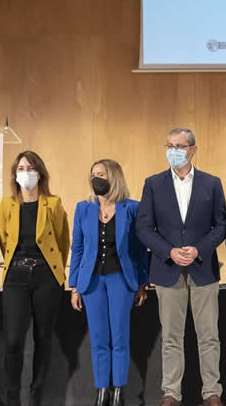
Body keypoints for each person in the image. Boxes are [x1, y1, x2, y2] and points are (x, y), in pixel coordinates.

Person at [136, 127, 226, 406]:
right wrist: (169, 251)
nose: (173, 151)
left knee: (209, 336)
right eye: (169, 146)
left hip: (203, 268)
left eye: (179, 146)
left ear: (193, 150)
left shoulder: (211, 183)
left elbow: (221, 225)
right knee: (171, 337)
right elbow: (144, 227)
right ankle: (171, 393)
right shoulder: (153, 184)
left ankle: (211, 392)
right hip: (168, 269)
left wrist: (199, 249)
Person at [69, 159, 149, 406]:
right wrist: (74, 286)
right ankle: (102, 389)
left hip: (120, 280)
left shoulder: (131, 208)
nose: (96, 179)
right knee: (99, 338)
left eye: (101, 174)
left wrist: (142, 283)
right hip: (91, 281)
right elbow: (77, 248)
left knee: (119, 337)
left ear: (113, 177)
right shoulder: (83, 208)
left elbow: (139, 250)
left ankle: (118, 391)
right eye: (93, 174)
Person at [0, 150, 70, 406]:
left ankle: (35, 397)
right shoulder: (7, 205)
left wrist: (54, 270)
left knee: (43, 337)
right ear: (14, 174)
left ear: (40, 173)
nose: (25, 173)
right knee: (13, 339)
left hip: (46, 276)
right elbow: (3, 239)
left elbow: (62, 241)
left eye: (30, 168)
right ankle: (12, 398)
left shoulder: (53, 204)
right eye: (21, 169)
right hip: (15, 276)